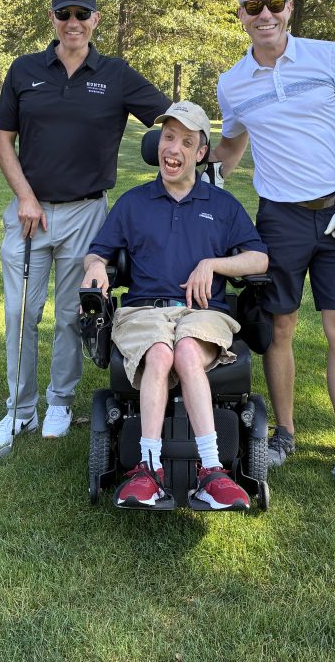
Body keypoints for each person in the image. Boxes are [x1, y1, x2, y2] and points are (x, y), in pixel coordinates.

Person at [213, 0, 335, 486]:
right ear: (241, 15)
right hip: (280, 218)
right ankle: (284, 432)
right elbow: (233, 143)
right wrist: (203, 175)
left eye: (274, 4)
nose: (264, 15)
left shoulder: (328, 57)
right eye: (253, 7)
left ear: (290, 7)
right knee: (280, 326)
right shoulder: (233, 82)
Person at [0, 0, 171, 451]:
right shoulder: (24, 70)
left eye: (81, 14)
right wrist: (25, 195)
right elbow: (2, 139)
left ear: (95, 20)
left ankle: (60, 402)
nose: (73, 22)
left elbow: (171, 119)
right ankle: (19, 409)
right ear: (52, 18)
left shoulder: (115, 73)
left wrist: (216, 137)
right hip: (29, 213)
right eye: (64, 14)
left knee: (72, 314)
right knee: (19, 313)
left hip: (86, 213)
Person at [82, 101, 269, 510]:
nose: (174, 149)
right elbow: (98, 254)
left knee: (184, 349)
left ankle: (212, 472)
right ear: (157, 144)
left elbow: (259, 259)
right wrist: (94, 269)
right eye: (168, 138)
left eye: (186, 142)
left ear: (201, 153)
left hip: (202, 313)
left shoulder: (221, 206)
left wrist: (213, 263)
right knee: (161, 352)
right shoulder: (133, 202)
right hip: (143, 311)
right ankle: (148, 470)